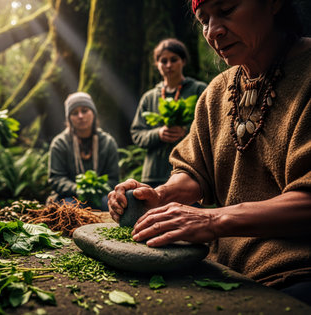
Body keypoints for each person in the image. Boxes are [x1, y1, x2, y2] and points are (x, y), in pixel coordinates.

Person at [108, 0, 311, 305]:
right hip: (224, 270)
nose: (213, 31)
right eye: (204, 20)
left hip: (297, 274)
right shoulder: (217, 92)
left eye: (227, 10)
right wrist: (160, 196)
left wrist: (213, 220)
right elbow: (194, 171)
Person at [131, 38, 207, 187]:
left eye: (174, 60)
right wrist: (158, 134)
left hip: (189, 172)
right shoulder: (149, 97)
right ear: (157, 65)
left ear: (183, 61)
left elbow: (210, 127)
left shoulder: (199, 90)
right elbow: (136, 133)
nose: (169, 65)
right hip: (154, 175)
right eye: (163, 61)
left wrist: (184, 132)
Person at [48, 92, 119, 211]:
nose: (80, 116)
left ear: (94, 113)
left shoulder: (108, 142)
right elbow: (56, 178)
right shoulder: (60, 143)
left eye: (85, 110)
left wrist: (96, 189)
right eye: (75, 113)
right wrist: (79, 189)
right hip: (69, 196)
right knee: (69, 210)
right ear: (69, 119)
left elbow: (113, 179)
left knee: (111, 205)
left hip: (100, 196)